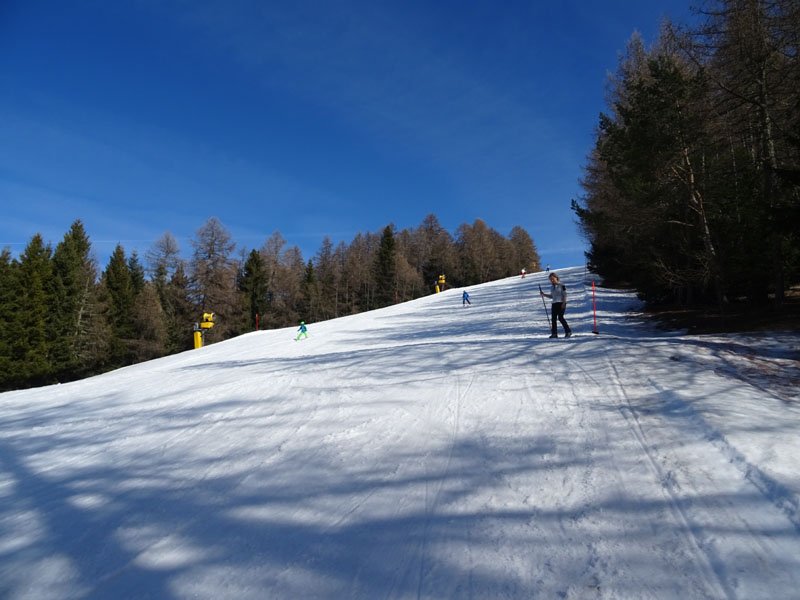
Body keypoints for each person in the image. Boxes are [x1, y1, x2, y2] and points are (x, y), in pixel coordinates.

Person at [540, 272, 571, 338]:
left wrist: (564, 303)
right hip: (554, 303)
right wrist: (544, 294)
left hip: (561, 303)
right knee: (553, 319)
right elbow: (552, 296)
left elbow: (565, 295)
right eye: (550, 279)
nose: (552, 280)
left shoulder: (561, 285)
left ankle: (568, 331)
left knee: (560, 318)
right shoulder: (552, 287)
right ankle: (554, 333)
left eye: (553, 279)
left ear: (556, 278)